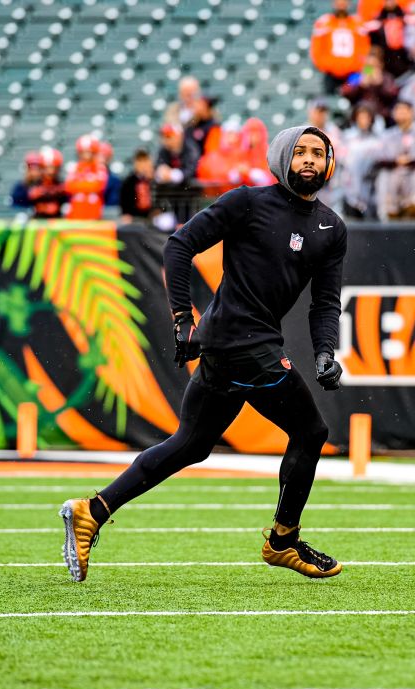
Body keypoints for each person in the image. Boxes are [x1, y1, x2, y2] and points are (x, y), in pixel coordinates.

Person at [60, 126, 348, 582]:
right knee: (311, 430)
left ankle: (92, 510)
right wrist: (180, 319)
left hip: (228, 347)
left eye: (319, 152)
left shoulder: (331, 228)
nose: (310, 160)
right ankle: (283, 541)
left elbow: (326, 303)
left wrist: (325, 352)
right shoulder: (247, 202)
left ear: (330, 163)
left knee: (190, 445)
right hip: (243, 343)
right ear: (281, 158)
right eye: (301, 152)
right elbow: (179, 245)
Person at [374, 99, 415, 220]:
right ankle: (391, 209)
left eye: (404, 110)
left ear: (412, 112)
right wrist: (396, 160)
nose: (401, 113)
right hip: (393, 181)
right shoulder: (388, 135)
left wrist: (409, 160)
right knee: (385, 176)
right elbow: (380, 159)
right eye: (398, 110)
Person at [311, 0, 371, 95]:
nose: (341, 6)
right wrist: (326, 65)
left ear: (349, 4)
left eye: (344, 3)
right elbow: (316, 48)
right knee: (329, 97)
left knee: (357, 97)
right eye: (339, 3)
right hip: (331, 72)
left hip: (353, 73)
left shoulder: (357, 22)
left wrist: (363, 68)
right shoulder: (324, 21)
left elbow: (366, 49)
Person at [339, 102, 384, 219]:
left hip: (372, 189)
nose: (363, 120)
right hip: (350, 189)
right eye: (360, 117)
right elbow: (342, 161)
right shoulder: (347, 137)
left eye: (366, 117)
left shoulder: (378, 139)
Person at [363, 0, 415, 79]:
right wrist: (366, 74)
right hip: (384, 63)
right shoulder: (375, 21)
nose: (390, 2)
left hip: (405, 62)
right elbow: (371, 51)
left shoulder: (407, 18)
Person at [340, 48, 400, 123]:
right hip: (360, 115)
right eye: (368, 66)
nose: (371, 69)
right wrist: (360, 85)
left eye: (373, 66)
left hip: (382, 117)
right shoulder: (357, 77)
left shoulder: (386, 77)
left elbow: (393, 95)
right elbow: (345, 92)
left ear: (380, 65)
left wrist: (380, 84)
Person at [307, 100, 345, 209]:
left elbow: (342, 154)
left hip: (331, 179)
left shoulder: (334, 131)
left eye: (323, 112)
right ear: (311, 112)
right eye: (318, 111)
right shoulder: (303, 131)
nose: (321, 115)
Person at [65, 135, 109, 220]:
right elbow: (68, 187)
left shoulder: (100, 168)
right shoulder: (74, 167)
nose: (86, 155)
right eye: (83, 152)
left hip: (94, 212)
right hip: (76, 212)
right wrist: (89, 186)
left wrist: (79, 185)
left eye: (89, 152)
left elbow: (99, 186)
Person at [28, 147, 70, 219]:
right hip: (38, 222)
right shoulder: (33, 184)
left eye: (53, 168)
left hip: (57, 221)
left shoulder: (62, 184)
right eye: (47, 168)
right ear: (42, 168)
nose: (50, 171)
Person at [119, 148, 158, 224]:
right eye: (140, 161)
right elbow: (124, 201)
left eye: (145, 160)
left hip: (152, 217)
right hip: (134, 217)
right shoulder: (129, 181)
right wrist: (126, 214)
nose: (142, 164)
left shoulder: (156, 180)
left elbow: (161, 199)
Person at [99, 141, 122, 212]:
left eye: (105, 156)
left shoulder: (114, 181)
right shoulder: (86, 177)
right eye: (99, 155)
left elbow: (112, 205)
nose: (101, 159)